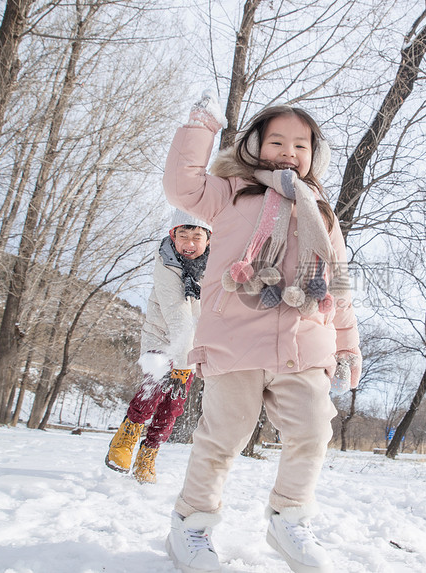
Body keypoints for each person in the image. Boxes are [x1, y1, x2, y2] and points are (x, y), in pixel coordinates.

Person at [161, 91, 362, 573]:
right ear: (254, 145)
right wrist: (201, 125)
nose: (289, 152)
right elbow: (181, 185)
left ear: (316, 155)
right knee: (222, 438)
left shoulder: (323, 211)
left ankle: (289, 517)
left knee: (314, 427)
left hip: (305, 341)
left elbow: (338, 280)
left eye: (301, 144)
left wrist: (347, 345)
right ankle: (191, 525)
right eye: (277, 141)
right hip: (236, 338)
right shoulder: (230, 191)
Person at [105, 209, 211, 484]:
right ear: (172, 236)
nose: (189, 244)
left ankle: (149, 454)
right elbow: (178, 316)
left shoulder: (214, 267)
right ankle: (127, 437)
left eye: (196, 237)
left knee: (173, 405)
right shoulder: (166, 264)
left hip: (189, 345)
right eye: (183, 236)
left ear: (209, 240)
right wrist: (183, 364)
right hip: (162, 337)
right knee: (157, 386)